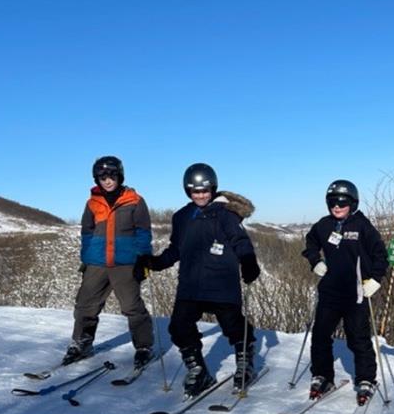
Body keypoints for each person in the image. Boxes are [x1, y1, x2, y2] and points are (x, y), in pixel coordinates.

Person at [139, 163, 260, 397]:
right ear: (188, 191)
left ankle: (245, 361)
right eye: (195, 191)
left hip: (222, 283)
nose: (201, 195)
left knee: (233, 326)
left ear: (213, 188)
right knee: (178, 326)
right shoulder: (182, 217)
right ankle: (198, 370)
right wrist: (156, 262)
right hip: (191, 284)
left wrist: (248, 261)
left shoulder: (226, 214)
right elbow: (176, 249)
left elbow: (240, 241)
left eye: (205, 190)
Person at [302, 180, 389, 406]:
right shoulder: (324, 225)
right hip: (330, 291)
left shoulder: (362, 226)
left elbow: (380, 254)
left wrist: (376, 279)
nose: (337, 206)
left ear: (353, 203)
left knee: (358, 338)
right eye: (332, 202)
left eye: (342, 202)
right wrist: (315, 261)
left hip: (356, 293)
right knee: (320, 336)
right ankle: (322, 375)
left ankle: (366, 378)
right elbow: (310, 242)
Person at [63, 155, 154, 370]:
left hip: (125, 262)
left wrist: (143, 258)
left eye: (111, 175)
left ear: (119, 176)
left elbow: (143, 232)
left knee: (132, 307)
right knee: (85, 305)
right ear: (97, 179)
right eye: (102, 177)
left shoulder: (134, 201)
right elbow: (87, 233)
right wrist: (86, 258)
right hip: (97, 262)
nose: (107, 180)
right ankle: (82, 343)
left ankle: (144, 347)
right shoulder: (92, 203)